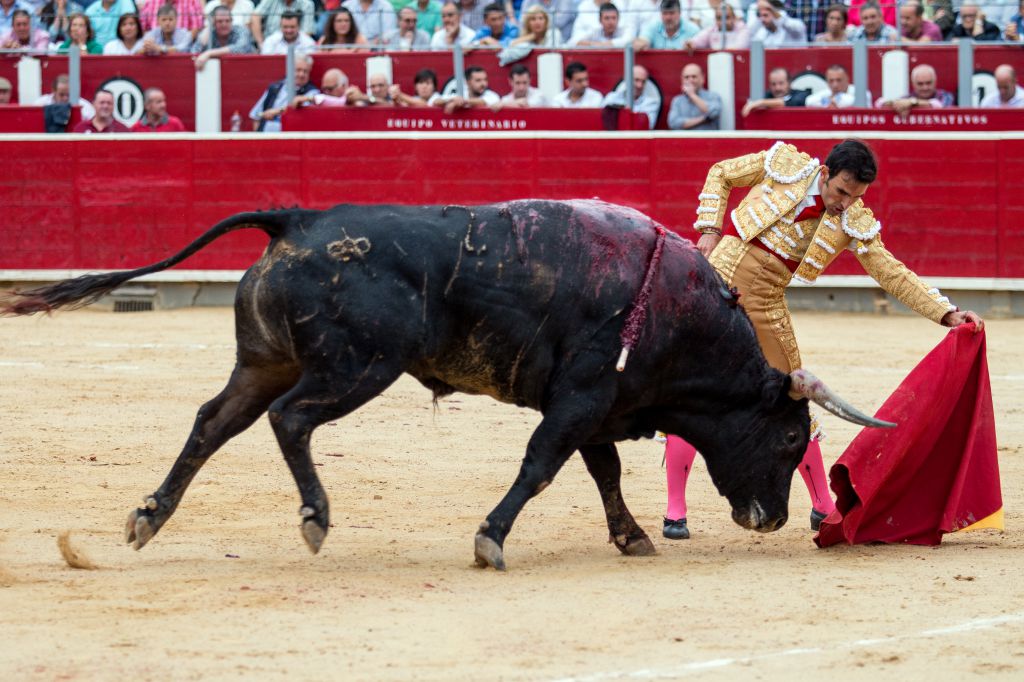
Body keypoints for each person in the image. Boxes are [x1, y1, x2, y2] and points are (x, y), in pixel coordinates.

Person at [663, 139, 984, 541]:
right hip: (715, 286)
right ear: (826, 173)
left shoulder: (853, 220)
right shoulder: (784, 164)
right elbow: (722, 172)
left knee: (795, 398)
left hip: (766, 301)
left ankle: (822, 505)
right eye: (841, 192)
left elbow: (891, 272)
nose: (845, 204)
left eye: (856, 197)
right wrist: (710, 228)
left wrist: (946, 312)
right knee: (692, 395)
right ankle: (675, 510)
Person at [249, 53, 318, 131]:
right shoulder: (275, 87)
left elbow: (300, 109)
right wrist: (259, 139)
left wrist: (276, 112)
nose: (301, 74)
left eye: (305, 71)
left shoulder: (312, 93)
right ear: (290, 70)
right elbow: (256, 116)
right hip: (266, 138)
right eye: (298, 70)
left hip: (292, 138)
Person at [874, 64, 952, 116]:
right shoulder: (907, 98)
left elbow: (940, 106)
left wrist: (912, 103)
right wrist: (896, 104)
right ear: (913, 84)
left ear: (935, 82)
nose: (925, 87)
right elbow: (879, 103)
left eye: (928, 83)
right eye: (920, 84)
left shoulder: (945, 95)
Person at [601, 64, 660, 129]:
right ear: (626, 79)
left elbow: (647, 126)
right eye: (636, 80)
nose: (640, 85)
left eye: (643, 82)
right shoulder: (611, 98)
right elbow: (602, 121)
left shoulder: (651, 103)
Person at [667, 63, 720, 130]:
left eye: (694, 77)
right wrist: (703, 119)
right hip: (684, 140)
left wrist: (692, 95)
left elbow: (714, 113)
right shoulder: (677, 101)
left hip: (706, 139)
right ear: (682, 80)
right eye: (687, 77)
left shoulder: (713, 96)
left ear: (702, 78)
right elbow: (673, 123)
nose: (690, 80)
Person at [741, 67, 811, 116]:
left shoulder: (801, 95)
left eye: (781, 83)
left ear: (789, 83)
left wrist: (761, 102)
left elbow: (791, 103)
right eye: (773, 84)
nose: (777, 88)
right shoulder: (767, 95)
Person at [633, 0, 698, 50]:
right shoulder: (652, 27)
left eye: (672, 13)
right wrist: (641, 44)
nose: (668, 17)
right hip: (656, 66)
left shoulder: (693, 30)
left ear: (680, 13)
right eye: (665, 13)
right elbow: (642, 40)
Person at [685, 2, 749, 49]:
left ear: (734, 18)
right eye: (719, 18)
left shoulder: (742, 29)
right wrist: (691, 44)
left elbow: (740, 46)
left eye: (727, 17)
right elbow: (697, 41)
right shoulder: (712, 29)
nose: (723, 22)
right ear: (715, 19)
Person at [290, 68, 362, 107]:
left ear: (343, 86)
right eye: (324, 89)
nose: (326, 92)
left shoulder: (352, 94)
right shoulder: (320, 101)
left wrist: (310, 98)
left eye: (330, 89)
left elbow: (340, 102)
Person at [139, 0, 204, 36]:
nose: (167, 23)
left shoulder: (191, 1)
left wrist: (182, 45)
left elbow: (197, 27)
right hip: (154, 53)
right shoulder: (150, 2)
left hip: (183, 51)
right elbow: (142, 27)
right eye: (164, 20)